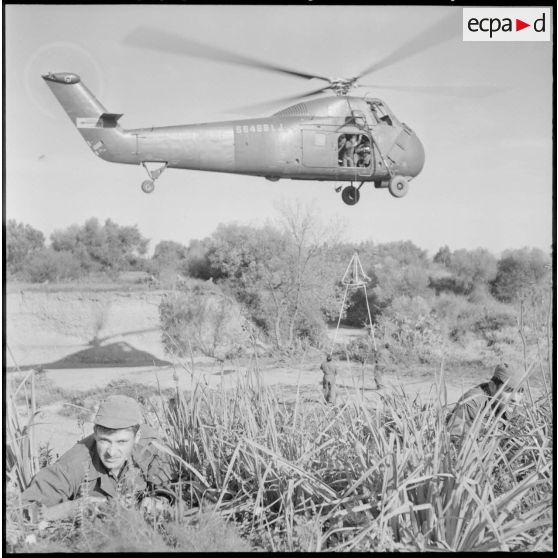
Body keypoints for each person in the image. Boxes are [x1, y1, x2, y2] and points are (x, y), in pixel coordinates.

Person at [21, 394, 176, 522]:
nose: (112, 452)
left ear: (137, 437)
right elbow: (23, 510)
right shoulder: (74, 463)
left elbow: (176, 486)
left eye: (121, 442)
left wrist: (159, 499)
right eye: (104, 441)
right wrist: (73, 509)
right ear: (95, 433)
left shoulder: (153, 448)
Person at [447, 363, 524, 438]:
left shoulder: (513, 405)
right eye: (509, 391)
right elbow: (454, 440)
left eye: (520, 391)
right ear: (492, 386)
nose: (515, 398)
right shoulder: (472, 403)